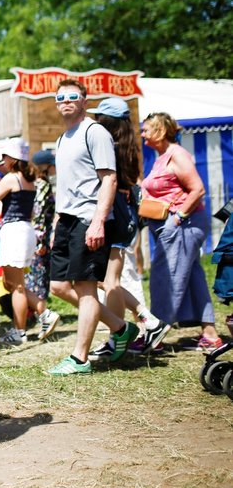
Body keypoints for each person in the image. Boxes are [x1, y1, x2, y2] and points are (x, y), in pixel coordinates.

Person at [47, 81, 138, 375]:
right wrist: (57, 222)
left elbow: (109, 179)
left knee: (86, 288)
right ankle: (119, 327)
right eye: (60, 97)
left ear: (85, 101)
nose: (66, 101)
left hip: (89, 219)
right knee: (59, 286)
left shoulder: (93, 132)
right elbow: (65, 186)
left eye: (73, 96)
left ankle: (79, 358)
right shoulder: (63, 138)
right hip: (67, 220)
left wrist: (99, 221)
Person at [87, 100, 169, 360]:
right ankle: (148, 321)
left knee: (108, 281)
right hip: (126, 214)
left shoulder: (107, 146)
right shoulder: (129, 146)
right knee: (107, 280)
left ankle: (121, 335)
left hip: (116, 213)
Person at [140, 111, 222, 351]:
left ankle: (156, 336)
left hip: (184, 225)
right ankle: (210, 334)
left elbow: (197, 189)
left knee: (166, 278)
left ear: (160, 131)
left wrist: (177, 218)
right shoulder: (161, 156)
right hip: (179, 225)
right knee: (192, 277)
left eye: (146, 129)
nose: (142, 133)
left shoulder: (177, 154)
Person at [0, 139, 44, 346]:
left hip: (14, 231)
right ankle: (44, 311)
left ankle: (20, 331)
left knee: (16, 286)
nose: (3, 161)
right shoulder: (29, 179)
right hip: (26, 229)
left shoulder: (10, 179)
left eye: (5, 157)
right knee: (11, 283)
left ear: (12, 159)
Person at [26, 149, 61, 339]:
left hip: (39, 238)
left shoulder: (39, 185)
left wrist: (39, 239)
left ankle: (43, 318)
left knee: (36, 280)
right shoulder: (44, 185)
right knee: (38, 280)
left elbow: (38, 214)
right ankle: (43, 318)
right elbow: (40, 215)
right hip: (41, 238)